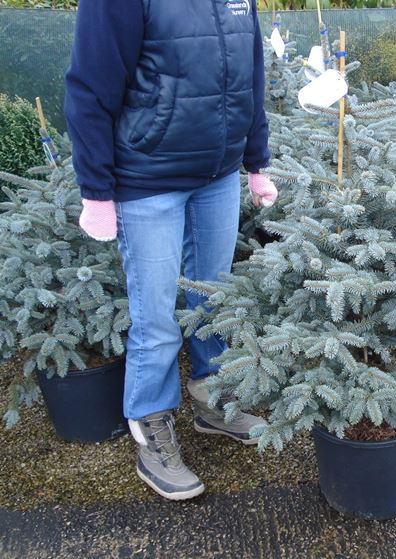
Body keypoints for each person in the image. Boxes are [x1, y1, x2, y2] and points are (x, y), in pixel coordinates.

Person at [64, 0, 277, 501]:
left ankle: (212, 398)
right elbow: (90, 87)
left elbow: (251, 74)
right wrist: (95, 191)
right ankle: (150, 429)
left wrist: (255, 159)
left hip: (216, 177)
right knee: (156, 316)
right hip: (147, 180)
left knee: (213, 297)